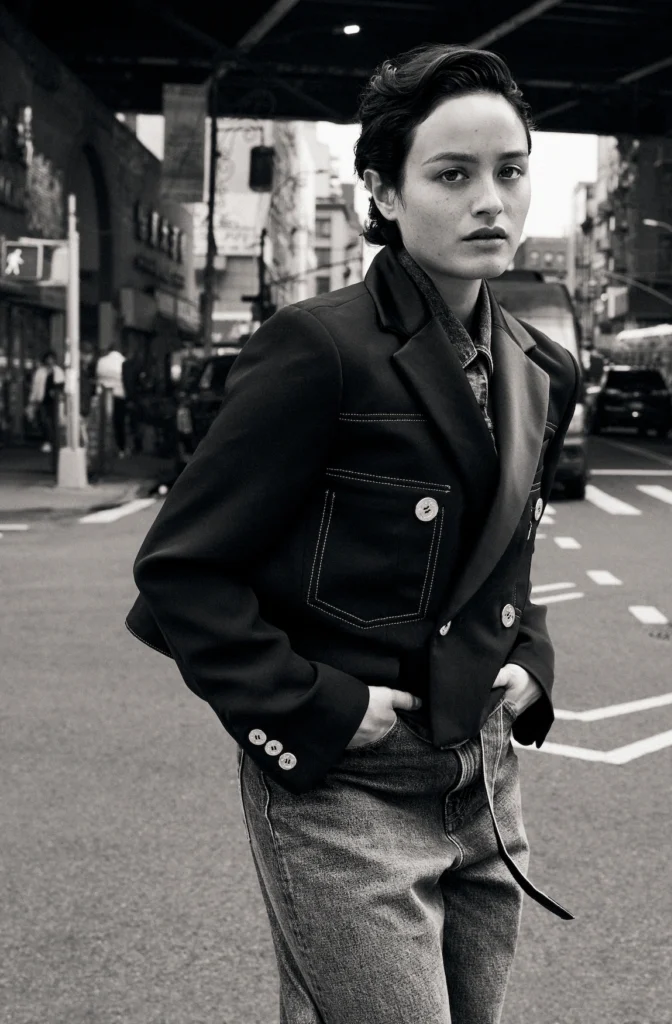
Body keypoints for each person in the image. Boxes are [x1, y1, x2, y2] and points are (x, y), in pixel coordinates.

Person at [126, 43, 580, 1024]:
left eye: (510, 171)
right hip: (348, 784)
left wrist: (531, 659)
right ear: (381, 190)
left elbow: (507, 549)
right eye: (451, 175)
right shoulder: (319, 347)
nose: (490, 201)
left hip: (484, 775)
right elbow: (180, 569)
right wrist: (312, 706)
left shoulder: (541, 365)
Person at [26, 350, 64, 470]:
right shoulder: (40, 372)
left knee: (54, 421)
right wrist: (32, 400)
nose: (50, 361)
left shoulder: (58, 371)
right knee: (43, 420)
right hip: (42, 399)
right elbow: (35, 386)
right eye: (48, 358)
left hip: (55, 401)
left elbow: (62, 385)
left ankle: (52, 441)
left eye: (52, 358)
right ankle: (48, 439)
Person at [95, 342, 127, 458]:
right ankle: (120, 448)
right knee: (119, 422)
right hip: (119, 394)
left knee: (103, 421)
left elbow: (97, 376)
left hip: (102, 394)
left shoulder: (101, 361)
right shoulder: (123, 361)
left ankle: (103, 446)